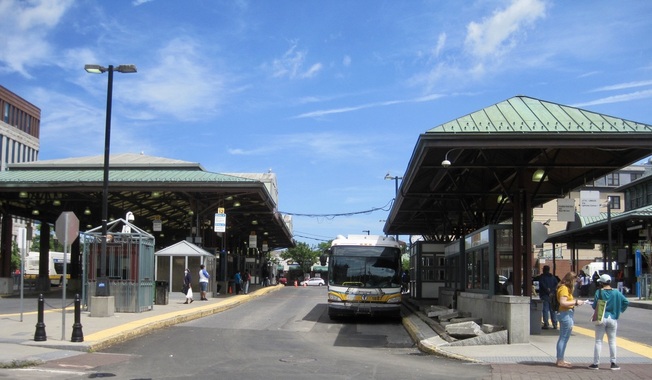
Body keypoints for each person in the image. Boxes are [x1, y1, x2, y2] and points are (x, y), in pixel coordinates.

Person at [588, 274, 629, 371]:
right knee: (612, 341)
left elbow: (594, 306)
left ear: (601, 283)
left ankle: (596, 363)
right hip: (613, 318)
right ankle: (613, 363)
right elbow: (626, 302)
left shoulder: (599, 292)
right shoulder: (616, 292)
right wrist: (620, 310)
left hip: (601, 318)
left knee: (598, 341)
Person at [555, 271, 587, 368]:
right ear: (571, 280)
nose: (576, 283)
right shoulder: (564, 289)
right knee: (564, 338)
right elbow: (563, 302)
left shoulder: (563, 288)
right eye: (575, 281)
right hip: (565, 314)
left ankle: (560, 359)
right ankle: (560, 360)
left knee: (563, 337)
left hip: (565, 313)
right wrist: (576, 302)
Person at [538, 265, 558, 329]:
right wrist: (552, 292)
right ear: (549, 270)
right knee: (552, 310)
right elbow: (556, 285)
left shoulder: (542, 277)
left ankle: (546, 324)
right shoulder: (553, 278)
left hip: (544, 295)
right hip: (552, 296)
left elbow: (542, 285)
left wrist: (547, 291)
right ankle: (555, 324)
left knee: (545, 310)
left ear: (544, 270)